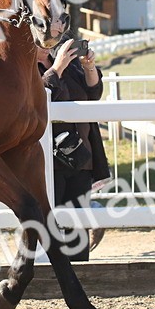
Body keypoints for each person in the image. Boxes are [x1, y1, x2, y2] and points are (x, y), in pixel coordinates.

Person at [38, 37, 110, 260]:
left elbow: (93, 94)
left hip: (81, 156)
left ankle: (80, 272)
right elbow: (39, 97)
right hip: (50, 159)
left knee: (78, 223)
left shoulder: (68, 63)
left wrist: (89, 68)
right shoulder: (26, 64)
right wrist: (56, 68)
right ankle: (56, 271)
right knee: (52, 221)